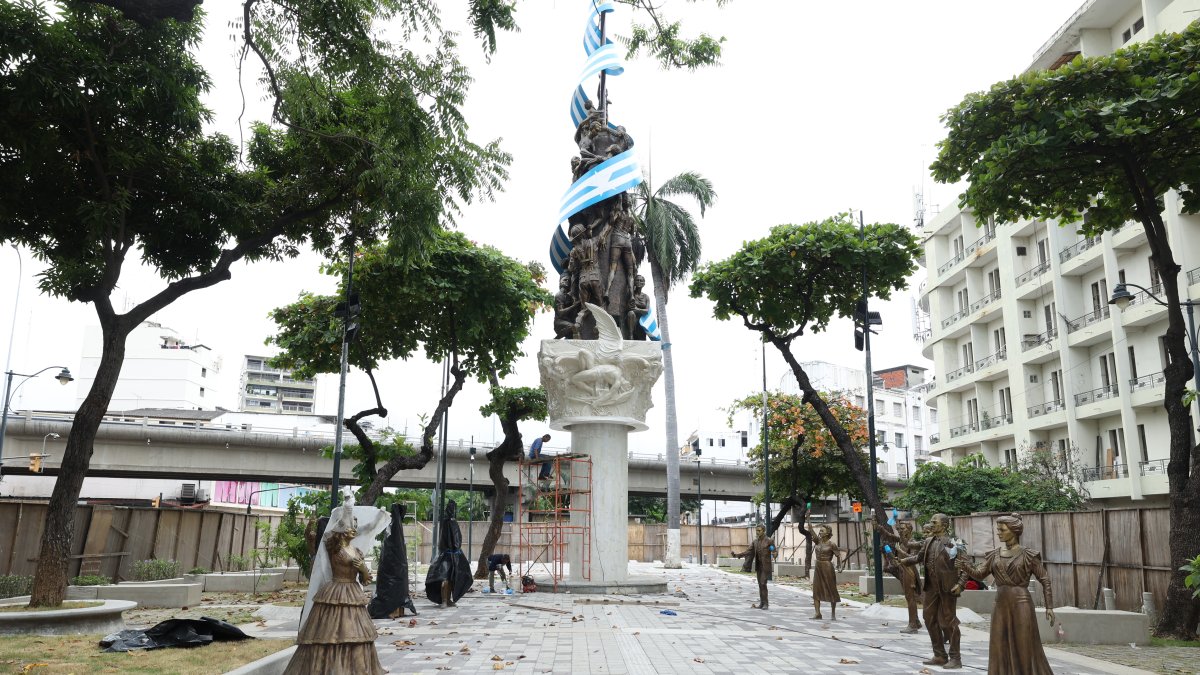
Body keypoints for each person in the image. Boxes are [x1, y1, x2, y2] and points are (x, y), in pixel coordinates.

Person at [285, 508, 386, 674]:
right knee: (329, 633)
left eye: (355, 525)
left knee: (356, 633)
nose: (354, 529)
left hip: (353, 593)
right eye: (350, 526)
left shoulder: (357, 551)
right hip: (335, 591)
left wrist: (363, 569)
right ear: (341, 530)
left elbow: (366, 580)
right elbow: (316, 540)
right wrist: (345, 509)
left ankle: (355, 668)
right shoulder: (334, 549)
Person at [957, 513, 1055, 674]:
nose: (999, 532)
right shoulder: (994, 554)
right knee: (999, 643)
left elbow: (1045, 579)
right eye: (998, 529)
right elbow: (980, 574)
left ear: (1014, 530)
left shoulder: (1028, 555)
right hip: (1000, 604)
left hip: (1021, 603)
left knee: (1024, 645)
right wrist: (965, 566)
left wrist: (1049, 607)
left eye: (1002, 529)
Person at [902, 513, 968, 670]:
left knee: (948, 621)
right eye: (930, 521)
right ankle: (939, 655)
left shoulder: (954, 543)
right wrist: (903, 561)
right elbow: (918, 558)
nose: (931, 524)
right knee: (929, 618)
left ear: (944, 525)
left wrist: (960, 584)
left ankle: (955, 658)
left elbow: (966, 565)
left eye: (934, 522)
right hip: (931, 587)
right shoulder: (928, 541)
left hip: (947, 588)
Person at [881, 521, 923, 633]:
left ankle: (912, 625)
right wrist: (879, 526)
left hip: (910, 571)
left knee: (911, 598)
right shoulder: (901, 541)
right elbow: (889, 535)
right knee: (909, 597)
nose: (900, 531)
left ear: (909, 530)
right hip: (902, 570)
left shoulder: (913, 542)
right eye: (899, 529)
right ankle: (916, 621)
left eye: (903, 529)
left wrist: (899, 551)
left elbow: (914, 557)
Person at [806, 524, 844, 620]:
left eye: (822, 531)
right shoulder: (817, 541)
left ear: (827, 533)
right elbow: (811, 530)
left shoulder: (832, 544)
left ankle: (833, 614)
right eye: (820, 531)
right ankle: (818, 613)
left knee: (831, 590)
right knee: (816, 590)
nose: (820, 532)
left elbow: (838, 555)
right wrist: (808, 517)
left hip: (827, 567)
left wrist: (840, 566)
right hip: (818, 567)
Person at [733, 525, 774, 609]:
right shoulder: (755, 542)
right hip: (759, 566)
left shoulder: (769, 540)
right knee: (760, 584)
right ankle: (762, 603)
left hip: (766, 566)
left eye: (759, 530)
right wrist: (737, 555)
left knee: (763, 583)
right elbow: (748, 551)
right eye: (756, 531)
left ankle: (766, 603)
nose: (757, 532)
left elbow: (773, 549)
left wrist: (774, 553)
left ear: (763, 531)